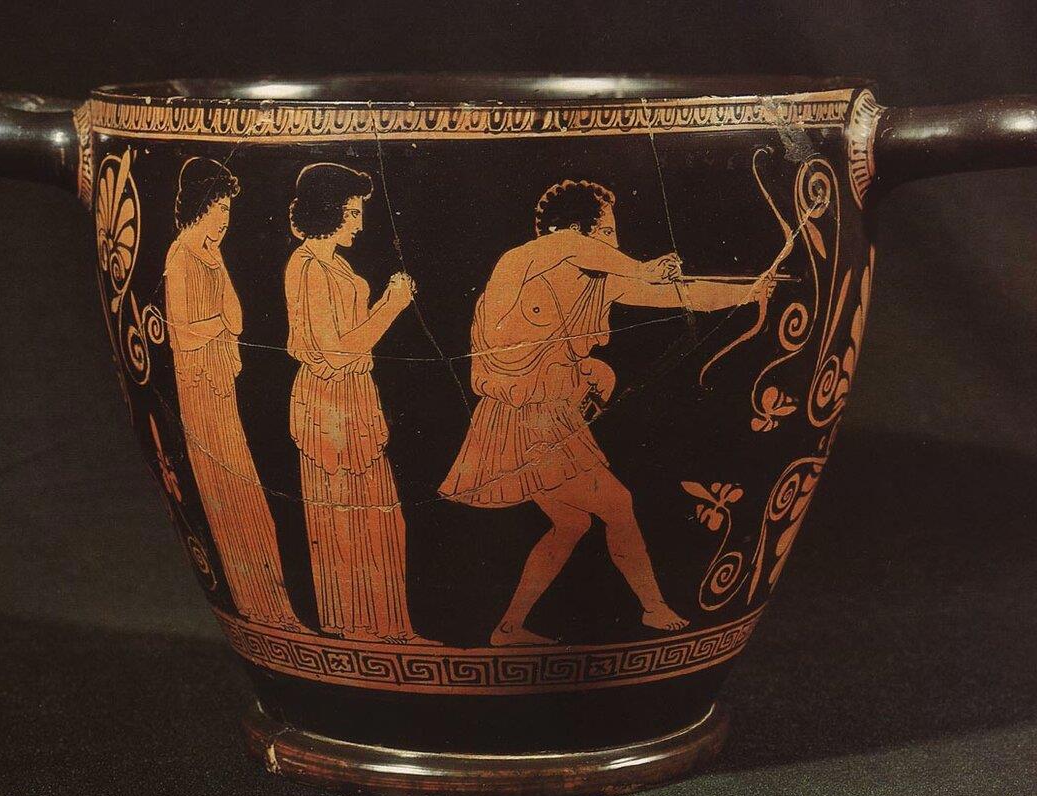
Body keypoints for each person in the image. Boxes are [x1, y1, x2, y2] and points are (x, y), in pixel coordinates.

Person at [439, 179, 775, 646]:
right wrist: (642, 268)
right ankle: (652, 608)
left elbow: (682, 295)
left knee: (572, 522)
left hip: (550, 418)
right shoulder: (520, 264)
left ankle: (509, 627)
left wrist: (749, 292)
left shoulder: (596, 284)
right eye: (607, 233)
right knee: (617, 505)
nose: (613, 244)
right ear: (574, 231)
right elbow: (570, 247)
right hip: (521, 420)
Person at [284, 162, 431, 644]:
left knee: (377, 512)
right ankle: (353, 628)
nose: (360, 224)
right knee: (343, 516)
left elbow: (350, 340)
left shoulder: (337, 265)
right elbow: (335, 351)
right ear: (327, 212)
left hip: (353, 396)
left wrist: (385, 305)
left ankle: (388, 626)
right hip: (329, 400)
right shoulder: (308, 267)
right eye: (351, 213)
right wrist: (391, 306)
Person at [164, 157, 307, 633]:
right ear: (200, 204)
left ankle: (273, 608)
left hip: (220, 386)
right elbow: (185, 331)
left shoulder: (210, 254)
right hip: (200, 391)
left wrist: (219, 315)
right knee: (228, 494)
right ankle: (258, 606)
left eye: (228, 209)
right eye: (220, 208)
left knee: (247, 496)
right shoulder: (181, 256)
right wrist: (218, 323)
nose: (225, 219)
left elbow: (238, 319)